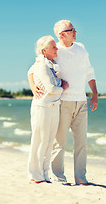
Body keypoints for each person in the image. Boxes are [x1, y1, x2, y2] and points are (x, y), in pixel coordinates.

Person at [29, 20, 98, 185]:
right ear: (62, 35)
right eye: (71, 30)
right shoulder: (54, 50)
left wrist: (94, 93)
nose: (75, 32)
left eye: (74, 29)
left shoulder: (81, 47)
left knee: (81, 143)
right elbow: (32, 69)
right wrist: (33, 87)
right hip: (62, 103)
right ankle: (59, 177)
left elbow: (90, 71)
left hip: (81, 101)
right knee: (59, 143)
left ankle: (81, 179)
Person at [27, 35, 69, 184]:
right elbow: (51, 89)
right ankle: (35, 174)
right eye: (53, 47)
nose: (56, 48)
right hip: (42, 108)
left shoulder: (51, 64)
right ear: (44, 51)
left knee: (49, 141)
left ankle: (44, 173)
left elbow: (29, 73)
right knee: (39, 141)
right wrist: (63, 88)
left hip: (53, 107)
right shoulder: (41, 65)